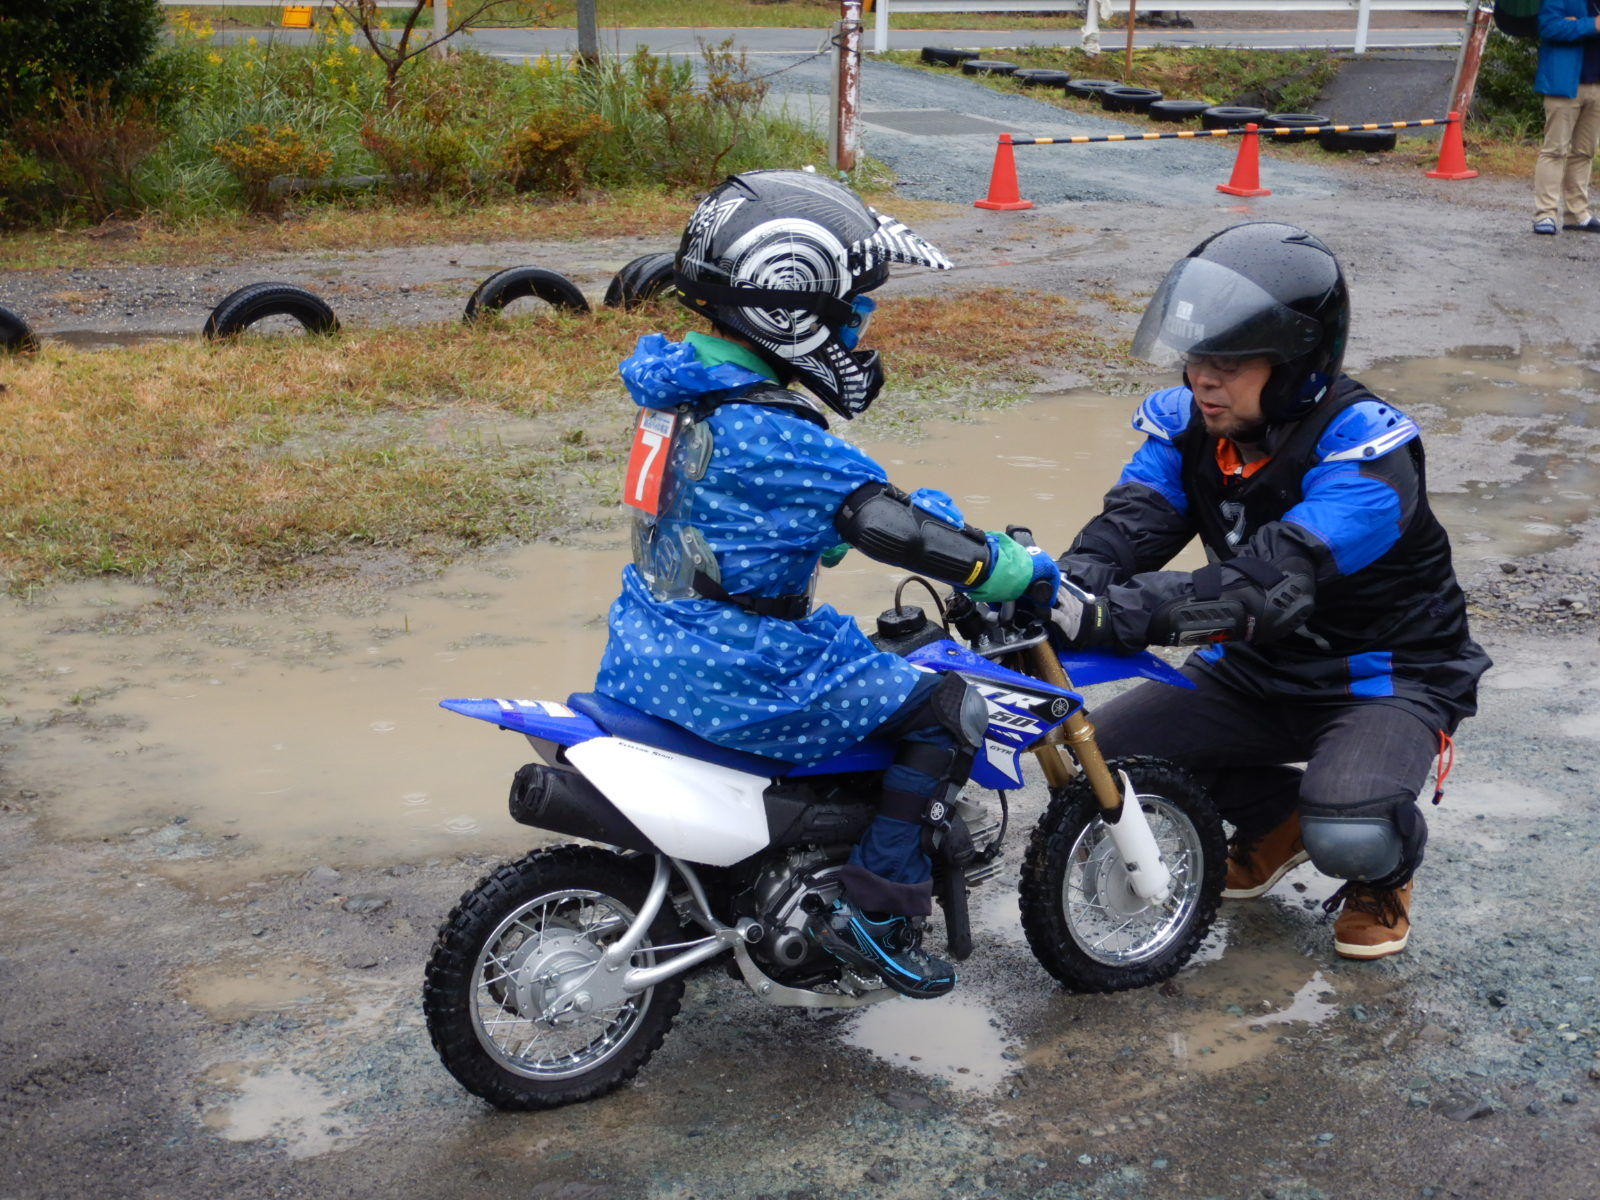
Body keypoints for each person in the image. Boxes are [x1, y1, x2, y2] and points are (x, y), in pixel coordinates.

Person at [593, 169, 1059, 998]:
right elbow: (896, 531)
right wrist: (1014, 567)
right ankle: (877, 914)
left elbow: (738, 519)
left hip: (648, 641)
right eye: (853, 308)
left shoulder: (680, 393)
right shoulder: (781, 432)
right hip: (739, 667)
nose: (862, 323)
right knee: (950, 708)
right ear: (789, 307)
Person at [1044, 222, 1490, 961]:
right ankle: (1281, 820)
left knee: (1347, 827)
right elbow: (1124, 533)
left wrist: (1107, 617)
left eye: (1229, 360)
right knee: (1098, 765)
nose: (1203, 379)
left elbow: (1269, 585)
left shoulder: (1369, 454)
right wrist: (1050, 589)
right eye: (1195, 358)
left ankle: (1381, 869)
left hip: (1381, 679)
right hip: (1251, 673)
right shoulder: (1187, 427)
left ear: (1296, 362)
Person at [1532, 0, 1600, 235]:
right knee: (1554, 150)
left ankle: (1577, 214)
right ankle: (1546, 214)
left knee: (1584, 152)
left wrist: (1576, 25)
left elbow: (1567, 28)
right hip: (1564, 84)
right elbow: (1549, 27)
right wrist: (1591, 25)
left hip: (1597, 86)